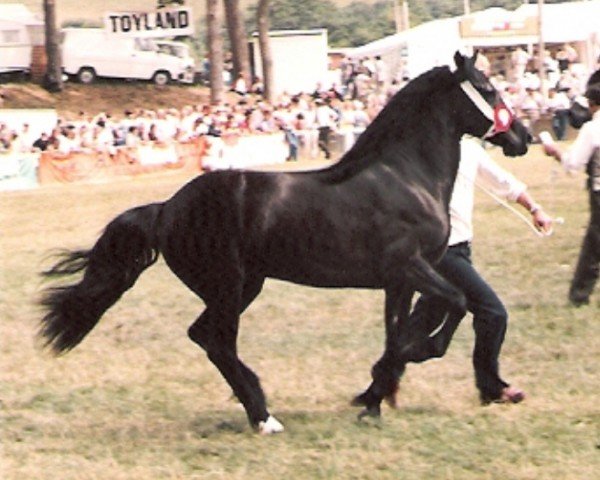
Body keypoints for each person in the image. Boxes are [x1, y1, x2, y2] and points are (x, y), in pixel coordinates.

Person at [398, 137, 553, 405]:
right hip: (440, 251)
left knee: (424, 320)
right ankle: (491, 388)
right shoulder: (424, 147)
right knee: (493, 313)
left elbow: (503, 181)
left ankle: (384, 376)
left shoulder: (470, 149)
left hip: (459, 250)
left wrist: (535, 209)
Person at [543, 84, 600, 306]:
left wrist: (553, 151)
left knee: (594, 246)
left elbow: (573, 163)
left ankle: (579, 295)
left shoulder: (592, 129)